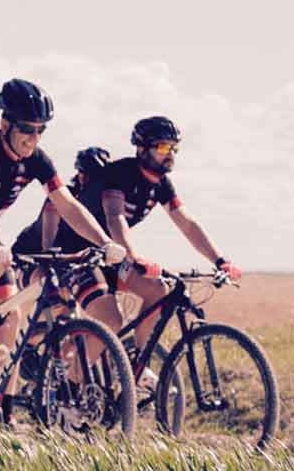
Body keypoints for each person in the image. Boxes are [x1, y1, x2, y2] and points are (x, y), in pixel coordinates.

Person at [0, 79, 121, 419]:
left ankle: (4, 411)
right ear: (5, 124)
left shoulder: (37, 160)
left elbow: (69, 207)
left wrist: (105, 241)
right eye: (27, 129)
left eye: (41, 130)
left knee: (11, 317)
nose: (33, 138)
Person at [52, 116, 242, 380]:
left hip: (111, 256)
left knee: (158, 289)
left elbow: (187, 223)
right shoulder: (120, 173)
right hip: (78, 253)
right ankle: (70, 392)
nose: (170, 155)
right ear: (142, 148)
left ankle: (138, 367)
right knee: (111, 320)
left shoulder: (160, 183)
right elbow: (114, 216)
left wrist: (220, 260)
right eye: (163, 148)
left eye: (174, 149)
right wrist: (133, 256)